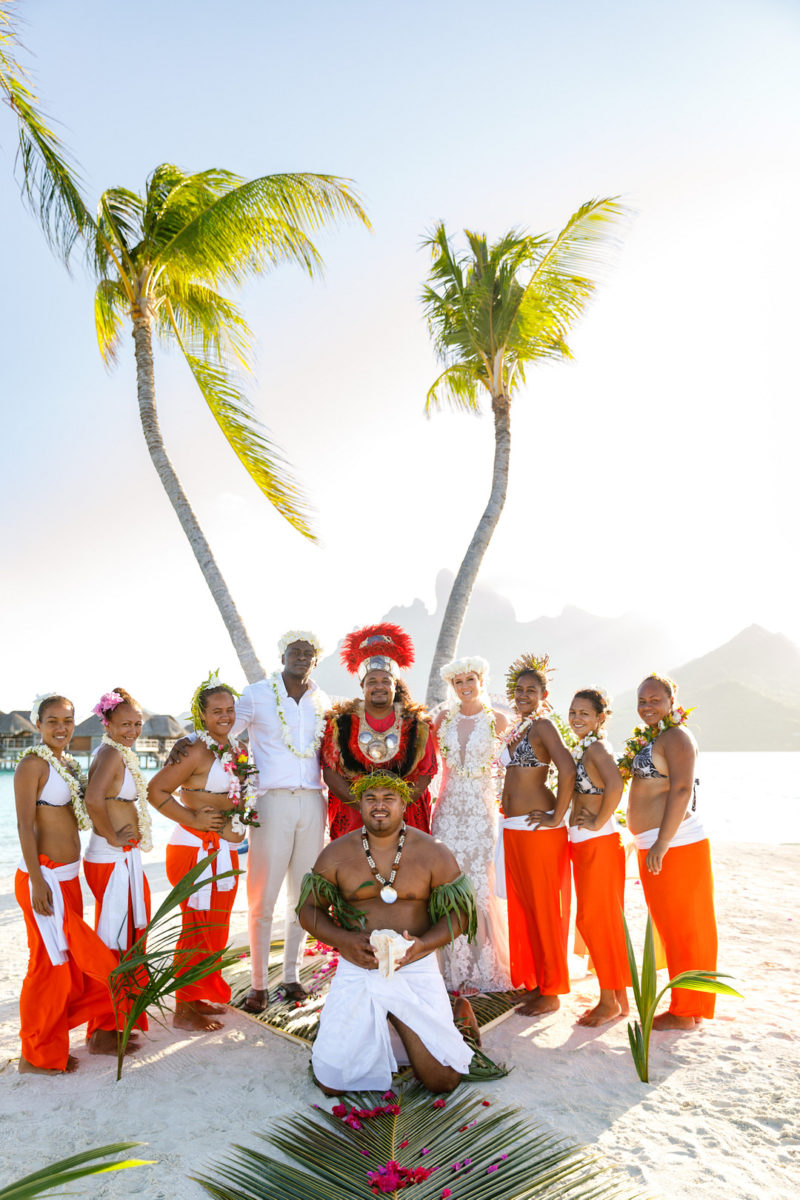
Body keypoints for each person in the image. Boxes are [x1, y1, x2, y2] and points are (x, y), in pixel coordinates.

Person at [166, 631, 329, 1013]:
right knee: (262, 895)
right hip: (270, 803)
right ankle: (258, 984)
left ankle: (291, 976)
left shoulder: (323, 700)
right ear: (283, 654)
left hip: (312, 802)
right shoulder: (257, 694)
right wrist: (187, 738)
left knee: (303, 895)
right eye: (295, 651)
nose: (301, 657)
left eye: (309, 653)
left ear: (316, 660)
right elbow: (220, 728)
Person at [296, 771, 478, 1094]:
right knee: (332, 1082)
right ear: (360, 804)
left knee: (442, 1079)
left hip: (414, 964)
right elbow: (308, 910)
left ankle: (450, 1017)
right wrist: (344, 941)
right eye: (371, 799)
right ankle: (385, 1016)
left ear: (404, 803)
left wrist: (424, 945)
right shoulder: (336, 854)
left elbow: (461, 911)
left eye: (388, 798)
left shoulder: (432, 851)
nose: (379, 806)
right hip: (359, 964)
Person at [14, 693, 122, 1073]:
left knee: (71, 966)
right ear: (37, 725)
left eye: (68, 721)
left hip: (68, 880)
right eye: (52, 721)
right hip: (44, 879)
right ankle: (35, 1055)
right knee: (47, 966)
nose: (61, 728)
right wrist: (38, 881)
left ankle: (56, 1038)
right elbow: (25, 826)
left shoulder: (64, 763)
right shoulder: (32, 765)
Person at [148, 673, 256, 1032]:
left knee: (216, 927)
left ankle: (197, 995)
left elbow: (239, 797)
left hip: (225, 849)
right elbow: (156, 791)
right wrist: (193, 817)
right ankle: (183, 1008)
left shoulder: (238, 749)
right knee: (196, 928)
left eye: (229, 710)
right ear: (202, 714)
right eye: (216, 711)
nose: (224, 716)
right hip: (195, 849)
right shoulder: (193, 748)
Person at [622, 673, 717, 1030]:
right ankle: (686, 1006)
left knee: (685, 927)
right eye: (642, 701)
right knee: (671, 927)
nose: (647, 706)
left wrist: (661, 842)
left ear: (672, 701)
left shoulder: (677, 736)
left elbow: (680, 790)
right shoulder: (656, 737)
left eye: (654, 700)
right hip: (655, 842)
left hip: (675, 844)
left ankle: (685, 1011)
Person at [494, 653, 576, 1016]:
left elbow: (568, 768)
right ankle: (533, 982)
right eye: (519, 689)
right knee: (523, 909)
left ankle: (553, 990)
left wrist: (558, 816)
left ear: (543, 695)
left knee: (544, 909)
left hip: (537, 829)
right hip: (513, 828)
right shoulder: (516, 727)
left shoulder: (543, 727)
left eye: (532, 690)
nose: (524, 694)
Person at [431, 655, 510, 994]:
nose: (464, 687)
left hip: (480, 813)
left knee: (478, 885)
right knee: (447, 883)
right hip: (447, 810)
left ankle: (481, 967)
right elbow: (429, 764)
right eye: (458, 682)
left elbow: (511, 769)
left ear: (481, 681)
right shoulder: (442, 719)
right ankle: (448, 968)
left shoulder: (500, 721)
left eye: (469, 680)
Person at [83, 687, 153, 1050]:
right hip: (112, 859)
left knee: (126, 938)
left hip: (120, 858)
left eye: (138, 723)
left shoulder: (117, 751)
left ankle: (118, 1020)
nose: (132, 730)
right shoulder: (111, 752)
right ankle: (103, 1030)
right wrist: (112, 837)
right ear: (107, 722)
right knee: (115, 939)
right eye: (125, 723)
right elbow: (93, 799)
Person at [322, 623, 437, 838]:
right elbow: (330, 772)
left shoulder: (417, 725)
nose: (379, 686)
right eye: (372, 681)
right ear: (362, 686)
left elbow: (425, 774)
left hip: (406, 813)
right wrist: (364, 808)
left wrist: (395, 808)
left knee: (407, 869)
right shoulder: (340, 723)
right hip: (354, 815)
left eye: (386, 681)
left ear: (395, 686)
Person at [567, 688, 629, 1026]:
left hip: (598, 844)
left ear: (600, 718)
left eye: (584, 714)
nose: (576, 718)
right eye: (573, 712)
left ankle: (608, 1002)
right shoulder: (586, 747)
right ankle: (618, 997)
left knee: (595, 920)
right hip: (588, 843)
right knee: (602, 919)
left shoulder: (597, 747)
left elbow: (616, 785)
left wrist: (597, 820)